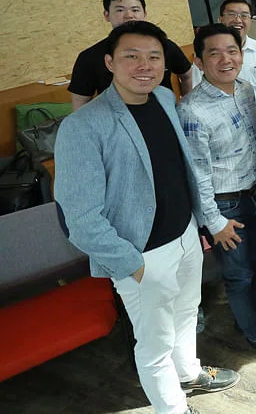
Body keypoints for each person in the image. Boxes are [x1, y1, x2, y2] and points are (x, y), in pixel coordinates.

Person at [55, 20, 241, 414]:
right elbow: (80, 218)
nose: (145, 65)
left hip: (185, 236)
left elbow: (178, 169)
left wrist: (197, 226)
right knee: (155, 343)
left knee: (187, 312)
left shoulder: (163, 97)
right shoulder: (83, 126)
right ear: (110, 62)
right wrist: (133, 266)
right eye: (132, 56)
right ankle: (173, 409)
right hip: (141, 254)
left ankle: (188, 372)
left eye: (154, 57)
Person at [178, 24, 256, 361]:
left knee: (251, 263)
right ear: (198, 61)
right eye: (214, 53)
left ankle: (251, 313)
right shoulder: (191, 110)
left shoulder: (243, 88)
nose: (225, 59)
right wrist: (214, 223)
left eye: (232, 51)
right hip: (225, 206)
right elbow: (196, 175)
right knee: (238, 275)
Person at [70, 0, 193, 110]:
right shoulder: (89, 57)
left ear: (144, 14)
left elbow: (187, 75)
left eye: (135, 10)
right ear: (107, 15)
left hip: (164, 111)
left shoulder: (165, 46)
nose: (129, 16)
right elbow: (80, 102)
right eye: (120, 10)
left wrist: (186, 107)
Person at [190, 0, 256, 106]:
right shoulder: (206, 54)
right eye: (231, 14)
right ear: (220, 19)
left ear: (251, 21)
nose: (238, 20)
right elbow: (196, 93)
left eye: (244, 15)